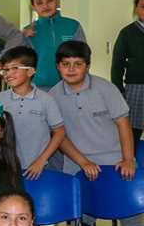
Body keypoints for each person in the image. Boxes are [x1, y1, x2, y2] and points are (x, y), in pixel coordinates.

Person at [51, 41, 137, 181]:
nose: (71, 69)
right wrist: (83, 162)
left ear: (87, 67)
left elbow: (123, 123)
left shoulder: (106, 88)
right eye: (65, 64)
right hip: (76, 164)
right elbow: (59, 135)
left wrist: (128, 159)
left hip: (115, 161)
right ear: (58, 67)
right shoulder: (52, 96)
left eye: (78, 64)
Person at [0, 47, 65, 178]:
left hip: (40, 167)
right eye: (6, 70)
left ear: (31, 71)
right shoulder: (0, 99)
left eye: (15, 68)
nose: (8, 74)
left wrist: (42, 160)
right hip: (9, 166)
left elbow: (59, 132)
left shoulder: (46, 99)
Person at [23, 0, 86, 90]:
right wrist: (22, 37)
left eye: (50, 1)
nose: (45, 6)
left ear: (57, 1)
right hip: (38, 87)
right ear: (33, 6)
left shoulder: (73, 26)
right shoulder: (28, 31)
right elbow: (19, 61)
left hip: (70, 86)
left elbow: (83, 56)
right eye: (39, 3)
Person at [111, 0, 144, 141]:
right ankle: (130, 155)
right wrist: (119, 90)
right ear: (136, 8)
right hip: (136, 88)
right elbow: (117, 65)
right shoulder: (127, 33)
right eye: (143, 6)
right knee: (132, 132)